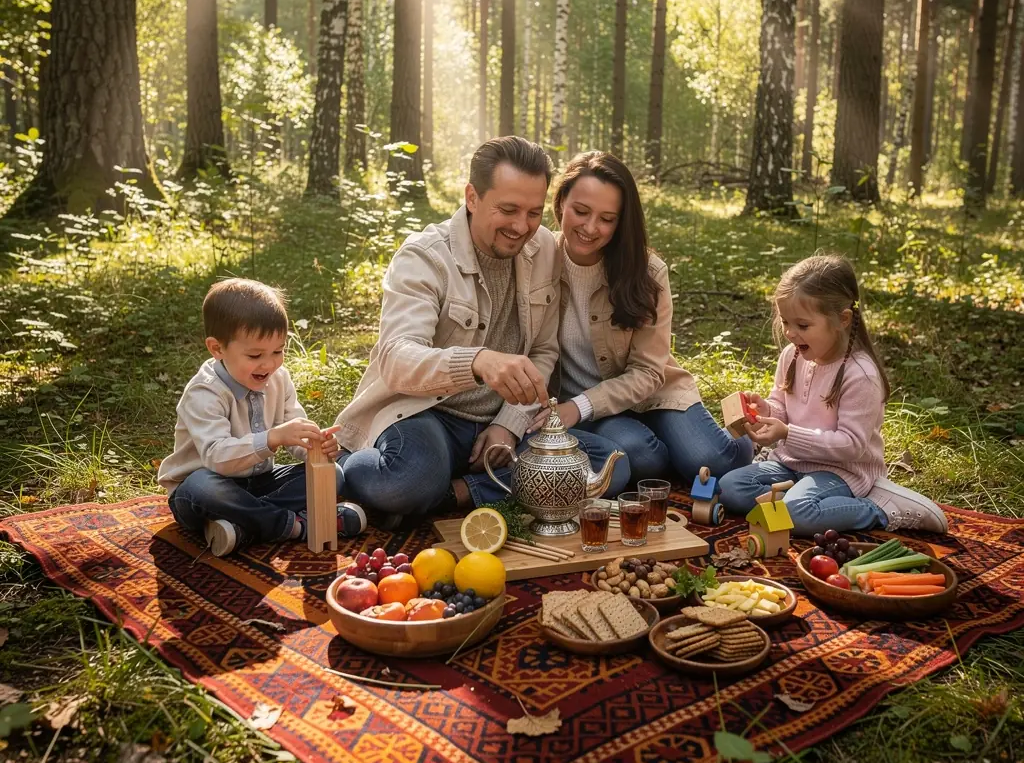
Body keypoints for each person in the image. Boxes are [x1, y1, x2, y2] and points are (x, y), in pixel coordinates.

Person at [333, 136, 630, 521]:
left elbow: (543, 352)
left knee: (610, 463)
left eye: (534, 213)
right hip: (428, 414)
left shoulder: (544, 250)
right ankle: (350, 464)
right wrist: (478, 362)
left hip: (504, 424)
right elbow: (396, 359)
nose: (522, 227)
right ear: (472, 197)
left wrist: (509, 425)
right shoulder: (424, 257)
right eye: (508, 209)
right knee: (404, 480)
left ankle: (454, 494)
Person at [526, 151, 753, 484]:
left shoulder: (647, 271)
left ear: (621, 221)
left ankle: (738, 440)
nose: (590, 227)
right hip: (589, 407)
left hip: (652, 396)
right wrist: (577, 407)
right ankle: (654, 442)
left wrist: (578, 408)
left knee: (711, 461)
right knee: (643, 457)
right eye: (581, 211)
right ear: (560, 203)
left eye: (607, 218)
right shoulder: (537, 261)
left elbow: (648, 372)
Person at [717, 255, 948, 535]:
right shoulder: (792, 355)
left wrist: (787, 434)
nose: (790, 333)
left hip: (842, 471)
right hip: (790, 463)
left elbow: (851, 446)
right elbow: (781, 404)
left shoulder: (860, 374)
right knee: (730, 488)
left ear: (843, 319)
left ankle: (881, 508)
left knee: (796, 514)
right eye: (785, 321)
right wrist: (767, 412)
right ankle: (795, 500)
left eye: (802, 325)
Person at [159, 278, 366, 556]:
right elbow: (217, 457)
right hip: (202, 489)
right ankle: (293, 526)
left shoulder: (279, 379)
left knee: (334, 475)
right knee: (203, 487)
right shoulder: (204, 393)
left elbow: (294, 434)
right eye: (255, 355)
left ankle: (243, 527)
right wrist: (272, 438)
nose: (269, 364)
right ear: (217, 349)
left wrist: (316, 448)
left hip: (259, 484)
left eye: (278, 351)